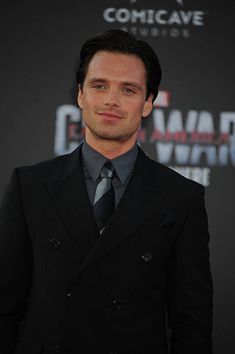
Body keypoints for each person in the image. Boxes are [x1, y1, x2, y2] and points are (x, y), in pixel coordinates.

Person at [0, 29, 213, 354]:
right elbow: (5, 304)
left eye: (128, 89)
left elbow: (192, 323)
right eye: (100, 86)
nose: (111, 100)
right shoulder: (30, 185)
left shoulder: (182, 198)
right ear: (81, 95)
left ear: (148, 103)